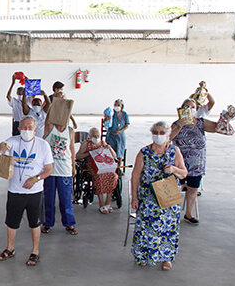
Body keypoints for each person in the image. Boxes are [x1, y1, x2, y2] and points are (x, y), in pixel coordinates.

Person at [0, 117, 52, 266]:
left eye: (30, 127)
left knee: (35, 223)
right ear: (19, 129)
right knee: (11, 222)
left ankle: (35, 251)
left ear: (35, 129)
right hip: (15, 191)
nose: (27, 130)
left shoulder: (43, 145)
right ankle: (10, 248)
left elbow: (49, 169)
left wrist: (35, 179)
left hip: (35, 192)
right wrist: (1, 146)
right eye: (24, 127)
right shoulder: (13, 141)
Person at [130, 121, 188, 271]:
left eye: (162, 133)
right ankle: (143, 255)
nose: (158, 135)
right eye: (155, 132)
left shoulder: (174, 151)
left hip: (168, 196)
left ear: (168, 134)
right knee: (146, 227)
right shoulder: (144, 152)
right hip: (148, 197)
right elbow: (135, 176)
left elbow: (184, 173)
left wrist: (174, 169)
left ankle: (166, 258)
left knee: (168, 228)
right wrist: (134, 197)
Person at [169, 99, 223, 225]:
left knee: (193, 189)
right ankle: (173, 214)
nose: (189, 109)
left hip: (196, 164)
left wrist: (226, 117)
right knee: (176, 188)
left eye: (192, 107)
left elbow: (218, 127)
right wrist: (179, 126)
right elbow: (168, 138)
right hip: (179, 163)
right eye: (186, 106)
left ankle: (189, 214)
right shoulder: (176, 124)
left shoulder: (201, 123)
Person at [41, 108, 77, 235]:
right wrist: (55, 105)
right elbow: (47, 120)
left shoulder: (70, 131)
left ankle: (69, 223)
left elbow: (72, 149)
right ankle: (47, 222)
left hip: (65, 170)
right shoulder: (50, 127)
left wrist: (73, 166)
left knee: (66, 199)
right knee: (49, 198)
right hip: (50, 170)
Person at [76, 127, 119, 214]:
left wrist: (109, 148)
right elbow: (78, 156)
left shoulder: (103, 143)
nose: (97, 138)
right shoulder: (86, 144)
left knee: (113, 176)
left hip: (104, 165)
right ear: (90, 136)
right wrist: (89, 153)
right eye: (95, 136)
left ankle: (108, 202)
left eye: (98, 136)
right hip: (92, 167)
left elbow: (114, 156)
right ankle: (101, 203)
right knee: (99, 177)